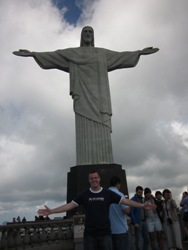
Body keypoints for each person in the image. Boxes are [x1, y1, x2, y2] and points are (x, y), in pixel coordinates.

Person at [13, 26, 159, 166]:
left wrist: (138, 53)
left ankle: (104, 160)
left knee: (102, 129)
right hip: (82, 99)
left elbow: (120, 56)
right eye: (85, 32)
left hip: (100, 100)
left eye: (90, 32)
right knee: (84, 129)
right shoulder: (73, 54)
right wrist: (34, 54)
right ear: (82, 36)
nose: (88, 34)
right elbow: (54, 56)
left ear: (93, 35)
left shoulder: (101, 54)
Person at [38, 170, 156, 250]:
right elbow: (70, 205)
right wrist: (52, 211)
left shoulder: (108, 193)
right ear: (89, 180)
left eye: (96, 178)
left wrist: (141, 206)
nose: (94, 180)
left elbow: (125, 201)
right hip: (89, 235)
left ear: (99, 179)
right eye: (91, 178)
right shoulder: (84, 194)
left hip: (105, 234)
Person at [109, 176, 130, 250]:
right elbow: (127, 211)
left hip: (109, 231)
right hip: (121, 230)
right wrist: (128, 202)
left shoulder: (105, 194)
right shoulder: (120, 195)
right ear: (118, 184)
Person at [130, 186, 150, 250]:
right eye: (139, 192)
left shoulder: (143, 199)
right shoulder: (133, 199)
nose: (140, 194)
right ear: (136, 192)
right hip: (138, 222)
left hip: (144, 220)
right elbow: (131, 212)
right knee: (139, 240)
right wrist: (134, 222)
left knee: (146, 238)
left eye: (141, 192)